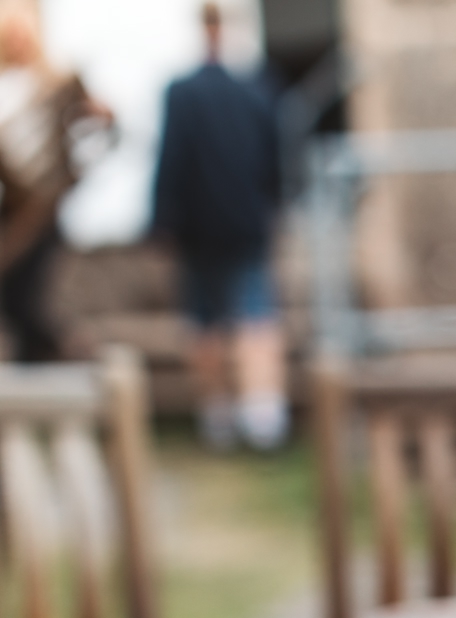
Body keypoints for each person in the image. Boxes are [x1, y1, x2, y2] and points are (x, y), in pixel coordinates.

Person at [152, 2, 286, 450]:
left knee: (210, 322)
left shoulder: (185, 92)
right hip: (242, 221)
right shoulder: (256, 89)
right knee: (251, 316)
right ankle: (260, 417)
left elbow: (171, 159)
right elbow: (275, 162)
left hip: (203, 226)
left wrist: (162, 220)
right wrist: (274, 207)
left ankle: (222, 416)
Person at [0, 4, 108, 362]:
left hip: (45, 211)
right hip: (13, 209)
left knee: (29, 298)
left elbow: (100, 125)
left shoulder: (55, 84)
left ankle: (72, 356)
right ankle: (39, 370)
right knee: (12, 301)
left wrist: (99, 121)